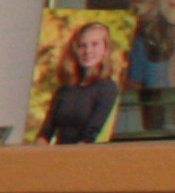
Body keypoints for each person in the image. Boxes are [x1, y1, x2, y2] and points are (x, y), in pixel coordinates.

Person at [42, 14, 127, 142]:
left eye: (95, 44)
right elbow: (46, 130)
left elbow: (91, 132)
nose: (88, 51)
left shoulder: (107, 88)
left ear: (105, 49)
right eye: (83, 45)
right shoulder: (65, 90)